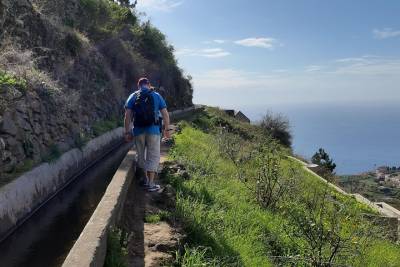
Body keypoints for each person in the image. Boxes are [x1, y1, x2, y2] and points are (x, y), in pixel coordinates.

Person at [124, 78, 170, 192]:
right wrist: (167, 129)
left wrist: (127, 132)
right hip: (153, 130)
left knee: (141, 155)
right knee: (153, 155)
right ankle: (151, 183)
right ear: (149, 85)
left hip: (138, 130)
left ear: (138, 85)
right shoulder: (156, 95)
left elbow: (127, 116)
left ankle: (144, 180)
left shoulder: (133, 96)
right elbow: (165, 114)